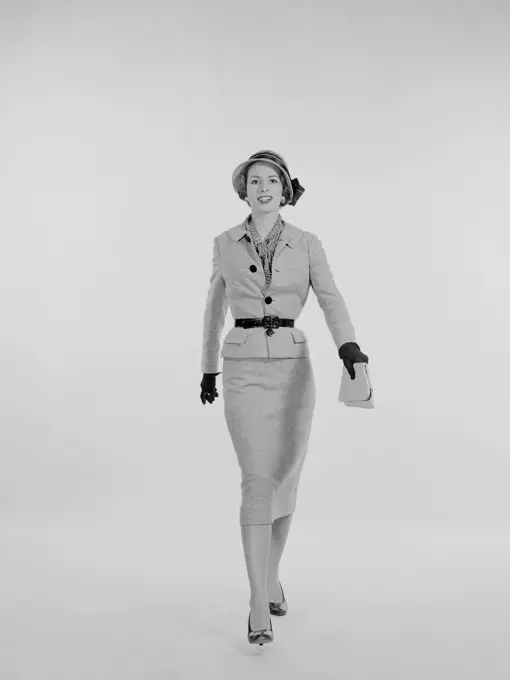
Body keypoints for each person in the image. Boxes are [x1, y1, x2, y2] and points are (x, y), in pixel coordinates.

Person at [199, 150, 369, 646]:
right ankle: (257, 602)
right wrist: (208, 367)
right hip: (243, 369)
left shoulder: (307, 242)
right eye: (254, 180)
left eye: (272, 179)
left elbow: (331, 299)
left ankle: (272, 575)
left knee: (285, 478)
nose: (263, 187)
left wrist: (349, 347)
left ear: (285, 188)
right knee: (257, 479)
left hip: (295, 371)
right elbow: (212, 308)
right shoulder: (224, 243)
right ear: (243, 189)